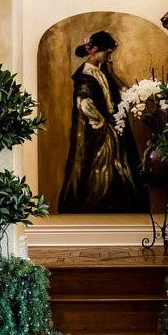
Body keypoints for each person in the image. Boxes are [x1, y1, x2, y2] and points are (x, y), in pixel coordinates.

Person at [59, 30, 146, 213]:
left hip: (113, 128)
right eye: (107, 53)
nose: (109, 57)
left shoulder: (104, 71)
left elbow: (125, 93)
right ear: (96, 51)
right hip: (97, 133)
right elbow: (83, 102)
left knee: (123, 171)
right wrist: (102, 124)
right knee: (100, 173)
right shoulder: (84, 75)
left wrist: (113, 74)